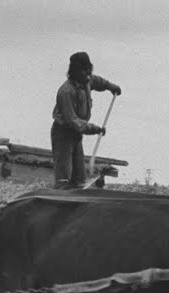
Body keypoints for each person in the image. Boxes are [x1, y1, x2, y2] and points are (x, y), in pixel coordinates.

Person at [51, 51, 121, 189]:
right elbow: (73, 121)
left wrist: (111, 87)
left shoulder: (87, 80)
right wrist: (95, 129)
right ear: (75, 72)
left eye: (89, 69)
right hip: (63, 134)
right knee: (63, 178)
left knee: (79, 178)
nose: (88, 74)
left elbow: (98, 81)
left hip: (76, 135)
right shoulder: (66, 92)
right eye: (84, 71)